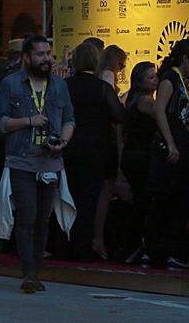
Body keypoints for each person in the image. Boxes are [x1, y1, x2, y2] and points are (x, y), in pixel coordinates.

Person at [0, 34, 75, 293]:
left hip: (50, 160)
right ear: (26, 57)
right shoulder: (11, 83)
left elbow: (69, 119)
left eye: (48, 54)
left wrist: (62, 140)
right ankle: (27, 272)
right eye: (40, 54)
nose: (46, 59)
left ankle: (35, 271)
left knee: (43, 218)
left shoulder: (59, 85)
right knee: (26, 215)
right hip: (22, 159)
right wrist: (28, 121)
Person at [65, 40, 125, 261]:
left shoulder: (65, 85)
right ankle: (83, 246)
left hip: (68, 147)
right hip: (95, 150)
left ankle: (66, 243)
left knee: (68, 196)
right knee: (89, 199)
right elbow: (119, 116)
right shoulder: (103, 88)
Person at [147, 38, 189, 269]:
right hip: (172, 146)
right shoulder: (169, 79)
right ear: (185, 58)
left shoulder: (182, 80)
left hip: (181, 142)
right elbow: (160, 111)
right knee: (167, 198)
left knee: (180, 199)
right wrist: (170, 143)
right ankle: (161, 249)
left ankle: (171, 247)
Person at [120, 60, 158, 263]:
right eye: (151, 77)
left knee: (139, 202)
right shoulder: (146, 102)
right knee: (142, 203)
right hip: (140, 156)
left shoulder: (133, 99)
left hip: (132, 155)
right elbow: (162, 119)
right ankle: (135, 246)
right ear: (140, 81)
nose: (156, 80)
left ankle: (132, 246)